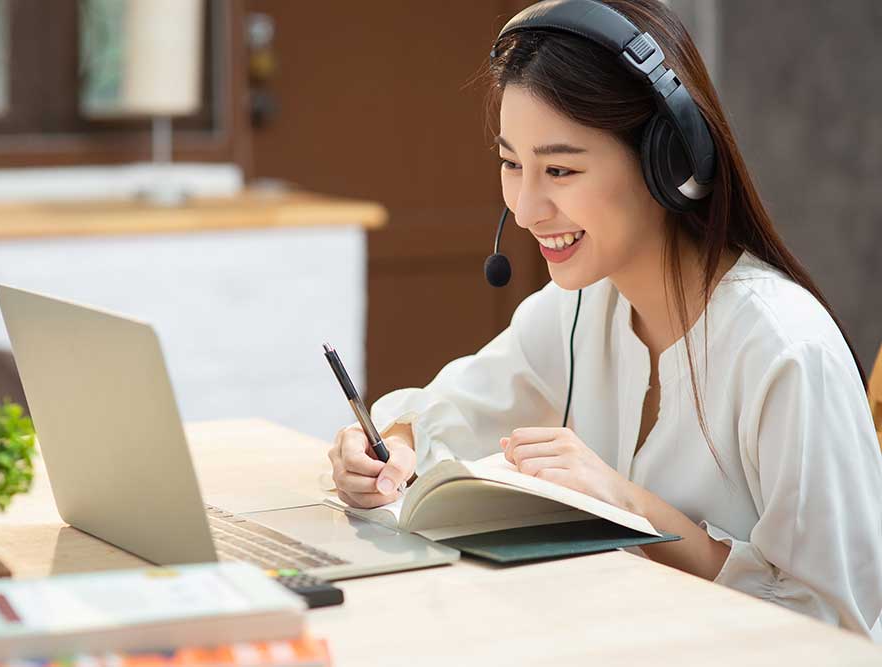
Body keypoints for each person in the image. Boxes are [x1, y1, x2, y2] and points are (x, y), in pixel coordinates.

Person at [326, 0, 882, 638]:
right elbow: (446, 412)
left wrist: (627, 507)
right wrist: (386, 448)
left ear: (669, 164)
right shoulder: (578, 308)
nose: (528, 207)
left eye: (559, 169)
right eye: (512, 164)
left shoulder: (785, 349)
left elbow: (834, 627)